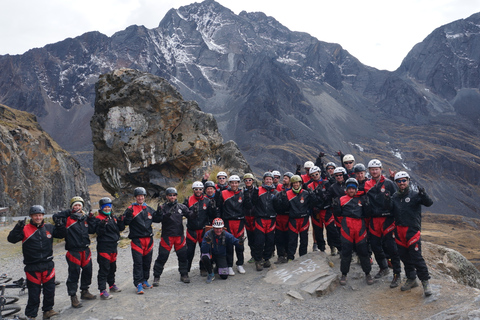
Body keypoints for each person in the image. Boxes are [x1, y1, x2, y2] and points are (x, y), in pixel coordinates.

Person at [8, 205, 62, 320]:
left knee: (49, 290)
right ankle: (31, 315)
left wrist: (59, 225)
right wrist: (17, 227)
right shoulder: (25, 229)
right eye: (35, 215)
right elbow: (11, 239)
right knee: (34, 293)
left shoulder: (49, 227)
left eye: (40, 215)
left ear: (43, 216)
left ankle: (48, 310)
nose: (38, 217)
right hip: (32, 266)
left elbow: (62, 235)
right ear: (31, 216)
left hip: (48, 264)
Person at [387, 171, 434, 296]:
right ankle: (411, 279)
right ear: (396, 183)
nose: (402, 183)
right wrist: (386, 200)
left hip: (412, 230)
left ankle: (425, 282)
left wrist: (424, 195)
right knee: (404, 256)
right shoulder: (395, 197)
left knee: (417, 257)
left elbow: (429, 203)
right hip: (399, 231)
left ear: (408, 181)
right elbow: (389, 210)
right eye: (399, 181)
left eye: (404, 180)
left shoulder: (415, 195)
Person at [53, 196, 96, 308]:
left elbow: (92, 230)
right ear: (72, 207)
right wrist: (68, 212)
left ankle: (85, 291)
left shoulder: (84, 218)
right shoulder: (67, 218)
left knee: (88, 271)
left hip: (85, 250)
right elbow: (55, 216)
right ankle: (73, 296)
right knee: (74, 274)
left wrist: (91, 219)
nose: (77, 207)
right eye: (75, 205)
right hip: (73, 251)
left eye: (79, 205)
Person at [364, 159, 402, 287]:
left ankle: (397, 274)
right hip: (374, 220)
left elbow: (397, 198)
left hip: (387, 219)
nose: (374, 171)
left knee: (391, 247)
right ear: (369, 171)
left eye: (376, 169)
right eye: (372, 169)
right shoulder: (366, 184)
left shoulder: (389, 183)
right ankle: (383, 267)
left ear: (381, 169)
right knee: (375, 246)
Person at [333, 178, 373, 286]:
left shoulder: (362, 198)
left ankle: (368, 273)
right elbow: (337, 214)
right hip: (347, 226)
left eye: (353, 189)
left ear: (356, 189)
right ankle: (344, 274)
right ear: (346, 189)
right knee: (346, 252)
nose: (351, 191)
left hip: (360, 226)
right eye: (349, 188)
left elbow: (367, 214)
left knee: (363, 251)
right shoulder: (341, 199)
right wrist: (335, 207)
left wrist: (367, 205)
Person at [153, 187, 196, 284]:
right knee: (162, 257)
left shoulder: (181, 207)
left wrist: (195, 211)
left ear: (176, 196)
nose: (172, 197)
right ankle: (156, 277)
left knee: (183, 256)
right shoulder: (162, 208)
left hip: (179, 236)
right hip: (167, 236)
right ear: (167, 196)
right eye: (170, 195)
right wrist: (161, 214)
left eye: (174, 195)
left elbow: (190, 216)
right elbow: (156, 219)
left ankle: (184, 274)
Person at [123, 187, 160, 294]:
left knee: (147, 262)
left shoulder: (148, 208)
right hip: (137, 240)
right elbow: (125, 222)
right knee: (138, 263)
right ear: (135, 197)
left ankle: (144, 280)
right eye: (138, 196)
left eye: (142, 196)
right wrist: (128, 216)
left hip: (148, 239)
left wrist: (159, 213)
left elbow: (157, 219)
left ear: (144, 197)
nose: (140, 198)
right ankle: (138, 283)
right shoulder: (130, 208)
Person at [276, 175, 320, 261]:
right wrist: (284, 200)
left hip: (304, 219)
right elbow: (285, 208)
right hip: (293, 220)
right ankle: (290, 257)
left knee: (304, 240)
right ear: (291, 184)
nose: (296, 184)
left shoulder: (306, 193)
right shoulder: (287, 193)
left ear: (300, 183)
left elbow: (313, 204)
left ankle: (303, 257)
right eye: (294, 183)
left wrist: (312, 195)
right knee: (292, 240)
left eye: (297, 182)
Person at [245, 172, 279, 271]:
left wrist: (280, 201)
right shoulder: (258, 190)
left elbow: (278, 207)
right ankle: (258, 260)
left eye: (270, 179)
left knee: (270, 241)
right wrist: (253, 195)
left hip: (271, 219)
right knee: (259, 241)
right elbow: (252, 204)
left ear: (273, 180)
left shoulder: (275, 192)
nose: (268, 181)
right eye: (267, 179)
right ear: (264, 180)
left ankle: (266, 258)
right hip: (260, 218)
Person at [94, 197, 125, 300]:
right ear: (101, 208)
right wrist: (102, 225)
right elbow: (98, 232)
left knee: (112, 267)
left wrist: (121, 221)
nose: (107, 209)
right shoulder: (98, 218)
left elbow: (120, 229)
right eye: (105, 207)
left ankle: (112, 285)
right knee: (104, 268)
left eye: (109, 207)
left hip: (113, 246)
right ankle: (102, 291)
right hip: (104, 247)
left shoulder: (113, 217)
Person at [307, 166, 341, 256]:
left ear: (320, 173)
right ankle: (322, 250)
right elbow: (309, 199)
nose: (315, 176)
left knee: (332, 231)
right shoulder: (309, 186)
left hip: (327, 210)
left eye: (316, 174)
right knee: (318, 232)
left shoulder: (327, 183)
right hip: (316, 212)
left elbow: (330, 195)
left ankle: (339, 249)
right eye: (313, 175)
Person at [184, 182, 215, 277]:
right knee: (189, 252)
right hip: (191, 230)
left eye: (200, 189)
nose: (198, 191)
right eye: (196, 189)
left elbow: (211, 216)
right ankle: (185, 272)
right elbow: (184, 214)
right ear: (193, 190)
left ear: (203, 190)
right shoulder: (188, 200)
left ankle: (203, 268)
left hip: (203, 230)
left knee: (205, 251)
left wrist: (213, 209)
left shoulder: (207, 201)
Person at [201, 218, 244, 283]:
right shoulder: (208, 234)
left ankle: (217, 267)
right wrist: (207, 243)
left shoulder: (226, 234)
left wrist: (240, 242)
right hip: (211, 254)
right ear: (213, 227)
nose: (218, 230)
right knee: (204, 256)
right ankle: (210, 273)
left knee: (224, 276)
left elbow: (234, 241)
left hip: (221, 256)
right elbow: (203, 250)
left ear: (223, 228)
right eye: (216, 228)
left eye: (220, 228)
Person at [218, 175, 246, 275]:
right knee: (228, 244)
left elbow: (247, 207)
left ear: (238, 183)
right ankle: (229, 265)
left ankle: (240, 264)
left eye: (236, 182)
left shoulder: (243, 194)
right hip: (228, 222)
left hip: (239, 222)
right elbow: (220, 209)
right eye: (232, 182)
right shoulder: (223, 193)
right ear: (229, 183)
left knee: (240, 243)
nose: (234, 184)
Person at [274, 172, 293, 264]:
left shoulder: (293, 191)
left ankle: (288, 255)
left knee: (289, 237)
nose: (284, 179)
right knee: (279, 237)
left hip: (288, 217)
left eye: (286, 178)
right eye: (284, 178)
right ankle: (280, 255)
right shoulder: (280, 191)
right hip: (279, 217)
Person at [242, 173, 256, 263]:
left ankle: (259, 255)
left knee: (258, 237)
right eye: (246, 180)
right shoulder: (241, 192)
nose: (248, 182)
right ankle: (253, 255)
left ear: (252, 181)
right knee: (250, 238)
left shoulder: (257, 191)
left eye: (249, 180)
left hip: (255, 216)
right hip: (247, 217)